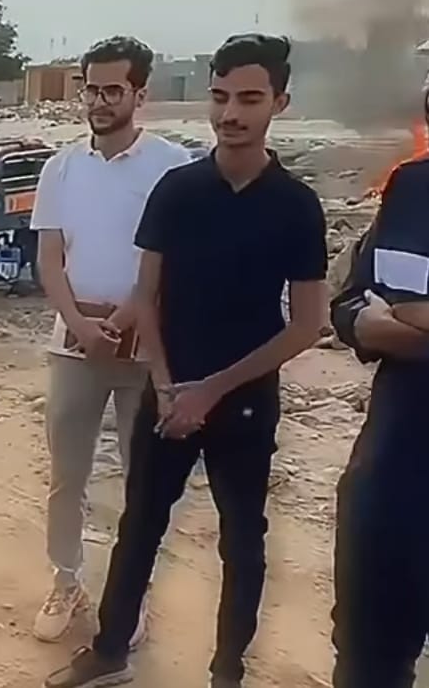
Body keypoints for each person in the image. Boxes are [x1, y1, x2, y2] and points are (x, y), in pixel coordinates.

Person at [46, 34, 328, 688]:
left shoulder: (295, 206)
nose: (231, 113)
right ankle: (110, 652)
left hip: (245, 401)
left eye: (249, 99)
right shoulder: (178, 191)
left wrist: (212, 390)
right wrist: (167, 385)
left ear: (279, 103)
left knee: (242, 543)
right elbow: (147, 294)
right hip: (168, 393)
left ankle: (227, 671)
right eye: (221, 96)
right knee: (139, 525)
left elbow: (307, 324)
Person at [29, 36, 191, 645]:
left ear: (139, 94)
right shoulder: (61, 168)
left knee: (139, 478)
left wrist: (126, 320)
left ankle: (130, 591)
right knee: (66, 474)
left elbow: (176, 260)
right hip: (74, 344)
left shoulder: (173, 167)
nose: (99, 101)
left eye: (112, 90)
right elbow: (49, 258)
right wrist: (78, 324)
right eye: (91, 89)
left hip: (145, 345)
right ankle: (65, 581)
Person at [329, 155, 429, 688]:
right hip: (395, 475)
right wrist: (363, 324)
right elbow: (353, 301)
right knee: (368, 659)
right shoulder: (414, 188)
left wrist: (405, 321)